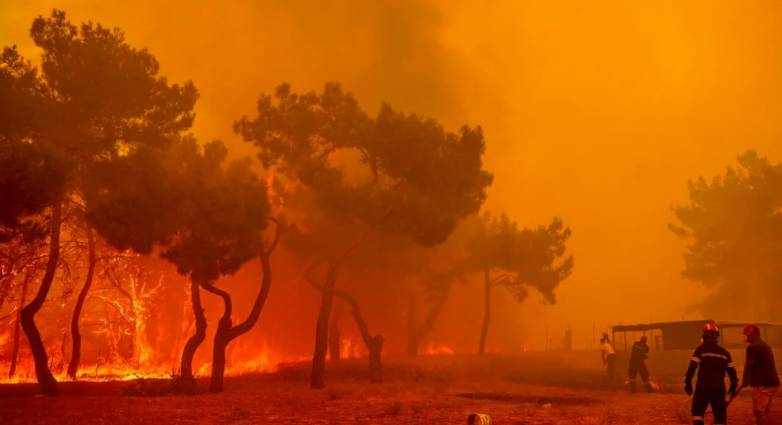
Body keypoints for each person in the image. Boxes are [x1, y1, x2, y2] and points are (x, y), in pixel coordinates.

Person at [684, 322, 738, 425]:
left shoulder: (700, 349)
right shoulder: (725, 353)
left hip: (702, 387)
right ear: (717, 336)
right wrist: (733, 387)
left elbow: (692, 368)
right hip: (719, 389)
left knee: (697, 413)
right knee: (720, 417)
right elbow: (732, 372)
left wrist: (688, 383)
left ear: (704, 335)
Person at [740, 324, 780, 425]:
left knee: (758, 411)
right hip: (773, 382)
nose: (744, 336)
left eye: (746, 333)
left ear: (752, 334)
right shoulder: (764, 345)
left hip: (763, 384)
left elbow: (749, 365)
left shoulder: (753, 347)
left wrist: (745, 380)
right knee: (765, 410)